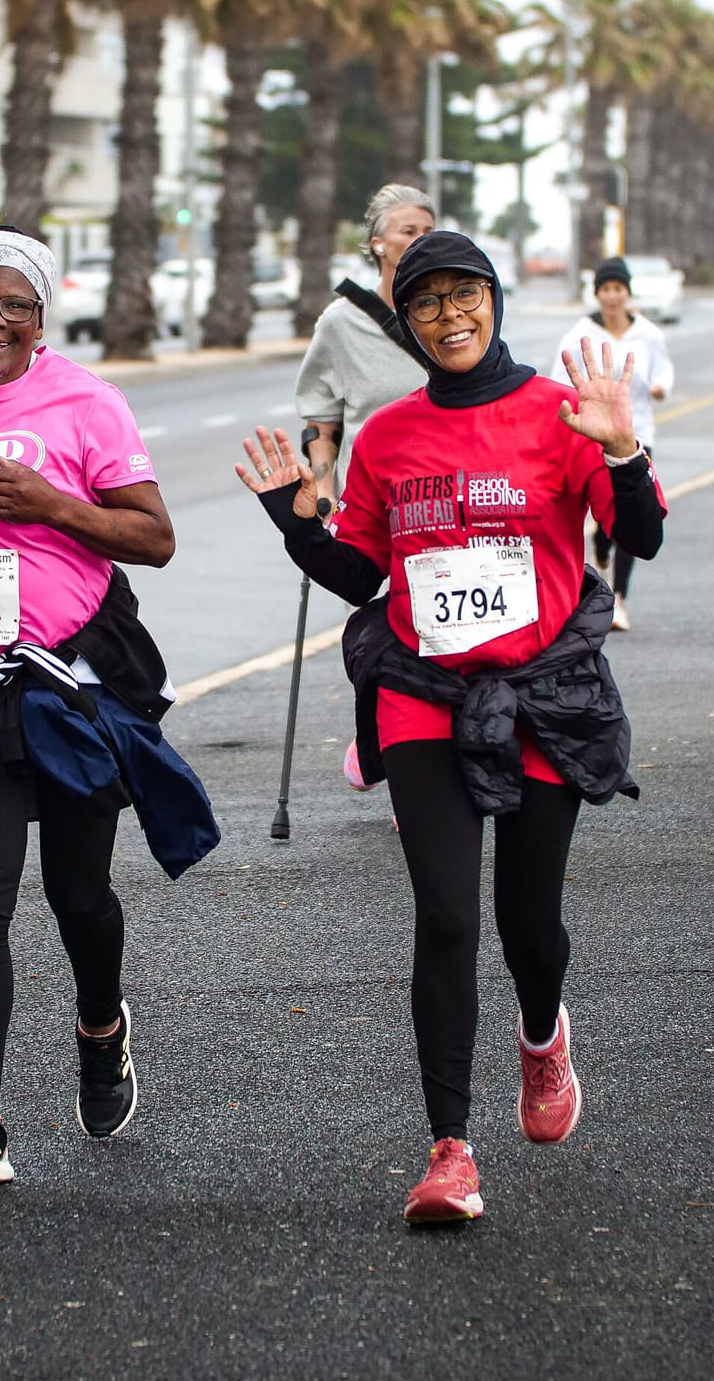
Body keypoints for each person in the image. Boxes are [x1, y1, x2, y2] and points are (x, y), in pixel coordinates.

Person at [237, 230, 665, 1226]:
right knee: (446, 914)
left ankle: (543, 1032)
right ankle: (450, 1149)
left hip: (544, 695)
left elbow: (637, 535)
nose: (448, 316)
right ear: (408, 320)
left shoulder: (562, 414)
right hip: (423, 692)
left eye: (464, 294)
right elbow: (362, 573)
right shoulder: (389, 434)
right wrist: (292, 521)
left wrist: (623, 448)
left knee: (528, 925)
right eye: (425, 303)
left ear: (494, 298)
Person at [0, 223, 220, 1189]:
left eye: (14, 304)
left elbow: (154, 538)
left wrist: (51, 505)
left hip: (69, 681)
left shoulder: (85, 403)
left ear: (40, 317)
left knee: (79, 898)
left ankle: (101, 1024)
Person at [549, 256, 674, 630]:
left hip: (638, 436)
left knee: (633, 513)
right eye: (606, 289)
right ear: (598, 293)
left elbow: (663, 368)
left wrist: (659, 387)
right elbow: (560, 376)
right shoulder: (580, 333)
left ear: (627, 292)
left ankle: (619, 598)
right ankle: (601, 550)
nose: (612, 296)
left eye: (618, 289)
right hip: (596, 437)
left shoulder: (648, 333)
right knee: (607, 523)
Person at [294, 183, 435, 501]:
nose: (422, 240)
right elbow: (321, 423)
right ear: (379, 245)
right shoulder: (340, 322)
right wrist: (325, 495)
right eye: (409, 231)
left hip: (443, 500)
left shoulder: (455, 317)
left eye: (429, 231)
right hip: (370, 505)